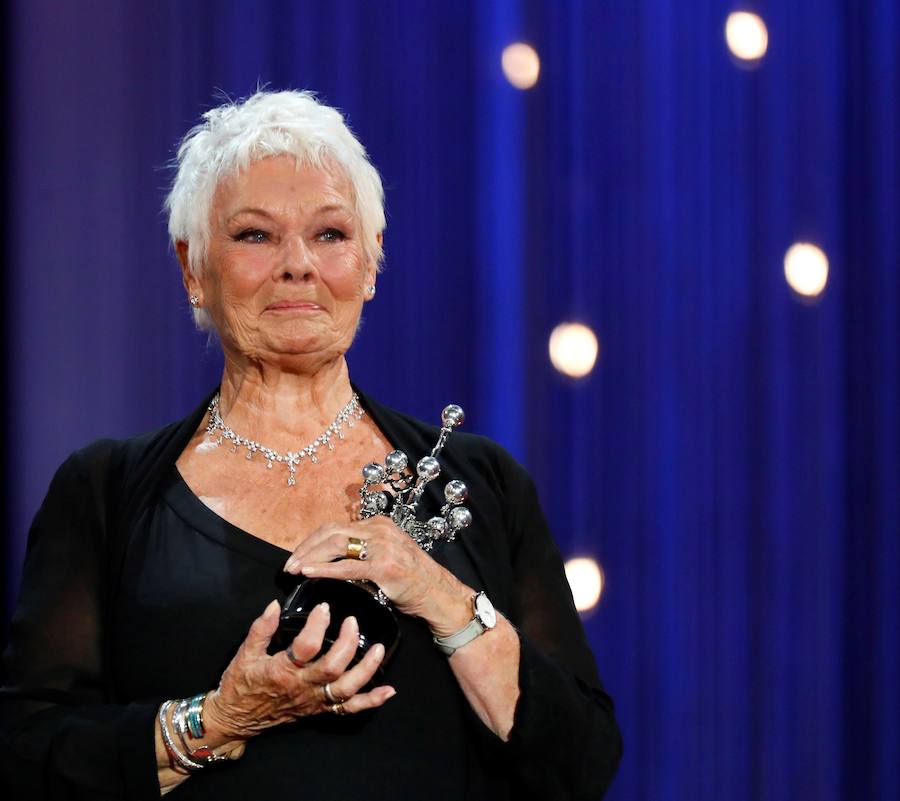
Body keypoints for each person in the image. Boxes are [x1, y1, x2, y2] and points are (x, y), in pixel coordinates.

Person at [0, 90, 621, 800]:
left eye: (330, 234)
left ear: (370, 261)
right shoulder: (106, 492)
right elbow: (28, 754)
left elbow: (582, 761)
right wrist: (221, 718)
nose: (297, 264)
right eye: (255, 235)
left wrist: (440, 596)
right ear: (192, 268)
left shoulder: (480, 483)